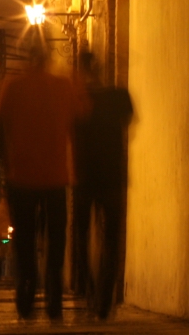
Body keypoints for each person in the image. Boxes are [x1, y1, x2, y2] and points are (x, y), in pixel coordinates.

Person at [0, 31, 89, 321]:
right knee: (57, 239)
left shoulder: (12, 87)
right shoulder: (63, 86)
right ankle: (55, 299)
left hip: (21, 176)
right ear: (47, 56)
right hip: (56, 176)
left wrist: (4, 163)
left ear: (25, 56)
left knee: (25, 242)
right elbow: (82, 118)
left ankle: (26, 293)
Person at [74, 51, 133, 320]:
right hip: (111, 177)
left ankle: (90, 290)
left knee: (81, 237)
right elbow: (129, 122)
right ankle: (104, 300)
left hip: (84, 178)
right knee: (111, 240)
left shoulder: (77, 99)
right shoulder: (119, 96)